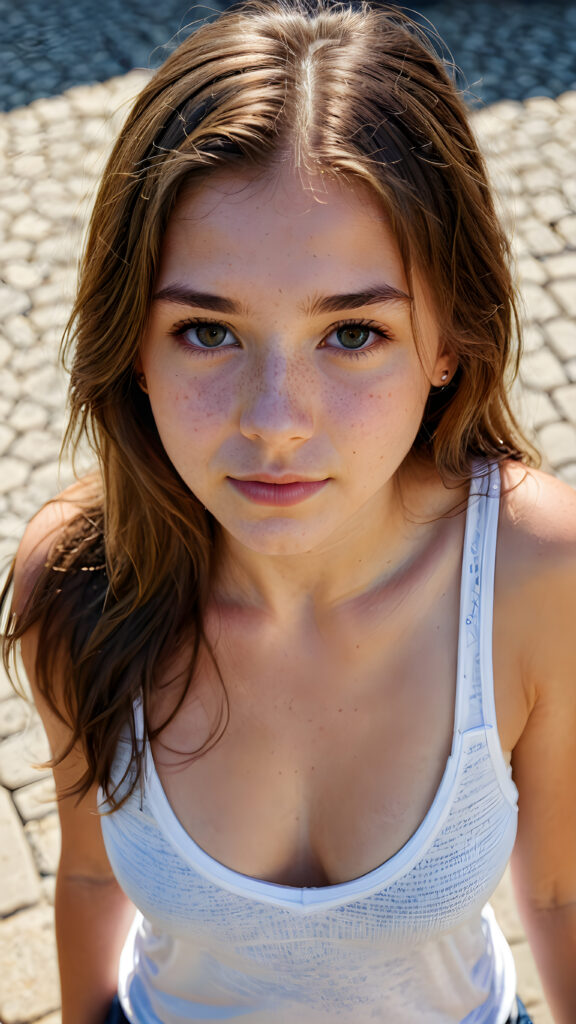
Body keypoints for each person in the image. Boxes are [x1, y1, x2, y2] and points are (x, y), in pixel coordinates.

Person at [2, 1, 576, 1021]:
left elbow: (563, 890)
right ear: (134, 346)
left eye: (353, 334)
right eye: (207, 331)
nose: (274, 423)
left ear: (450, 342)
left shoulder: (539, 572)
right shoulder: (80, 582)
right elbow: (87, 873)